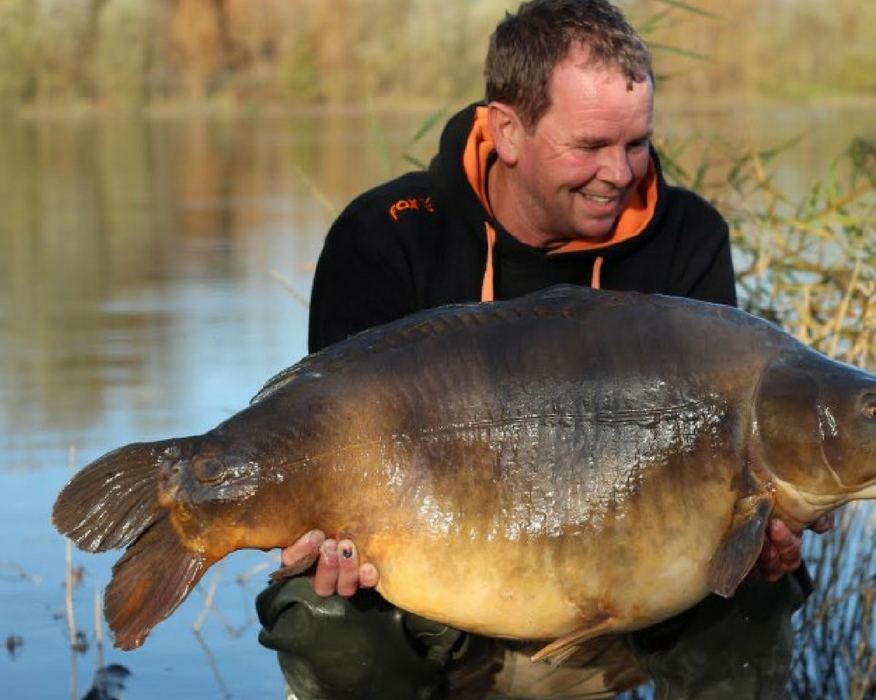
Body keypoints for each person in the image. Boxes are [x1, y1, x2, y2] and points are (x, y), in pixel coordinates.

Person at [257, 1, 830, 698]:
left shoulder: (687, 238)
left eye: (637, 143)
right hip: (438, 589)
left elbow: (718, 459)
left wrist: (762, 526)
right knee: (325, 613)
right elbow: (328, 442)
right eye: (589, 146)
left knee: (758, 588)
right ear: (508, 131)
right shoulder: (389, 235)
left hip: (621, 588)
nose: (619, 172)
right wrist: (320, 533)